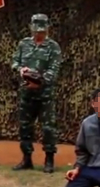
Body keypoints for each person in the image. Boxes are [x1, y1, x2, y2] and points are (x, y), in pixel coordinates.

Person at [11, 14, 62, 173]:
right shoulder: (23, 44)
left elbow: (53, 71)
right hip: (27, 93)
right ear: (31, 28)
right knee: (25, 127)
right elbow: (14, 62)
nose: (38, 33)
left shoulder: (53, 47)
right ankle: (26, 159)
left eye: (42, 31)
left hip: (45, 95)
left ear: (47, 29)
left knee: (48, 127)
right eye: (36, 30)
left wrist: (38, 81)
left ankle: (49, 160)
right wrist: (21, 70)